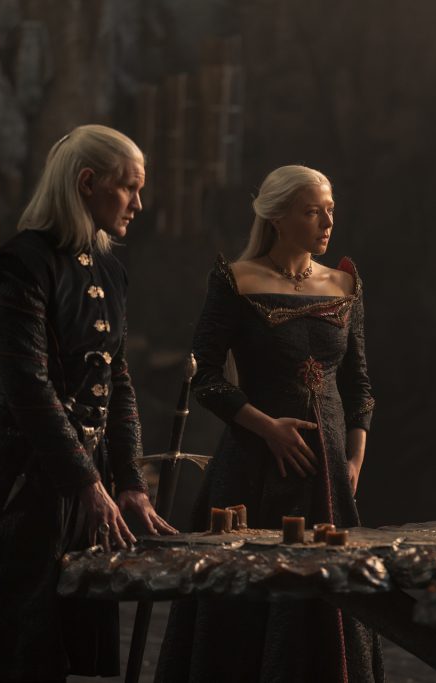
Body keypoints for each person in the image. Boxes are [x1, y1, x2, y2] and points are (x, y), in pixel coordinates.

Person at [0, 124, 176, 683]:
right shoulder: (17, 267)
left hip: (82, 477)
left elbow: (117, 380)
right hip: (18, 475)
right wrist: (86, 482)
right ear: (87, 183)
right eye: (129, 187)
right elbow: (29, 388)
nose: (139, 203)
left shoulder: (110, 270)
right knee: (15, 644)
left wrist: (129, 482)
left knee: (65, 638)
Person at [155, 165, 383, 682]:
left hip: (328, 478)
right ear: (278, 218)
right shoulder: (236, 280)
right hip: (252, 471)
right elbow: (206, 376)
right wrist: (267, 428)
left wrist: (353, 459)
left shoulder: (344, 283)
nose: (327, 221)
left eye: (330, 210)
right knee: (247, 609)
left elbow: (359, 386)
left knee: (329, 606)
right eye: (312, 212)